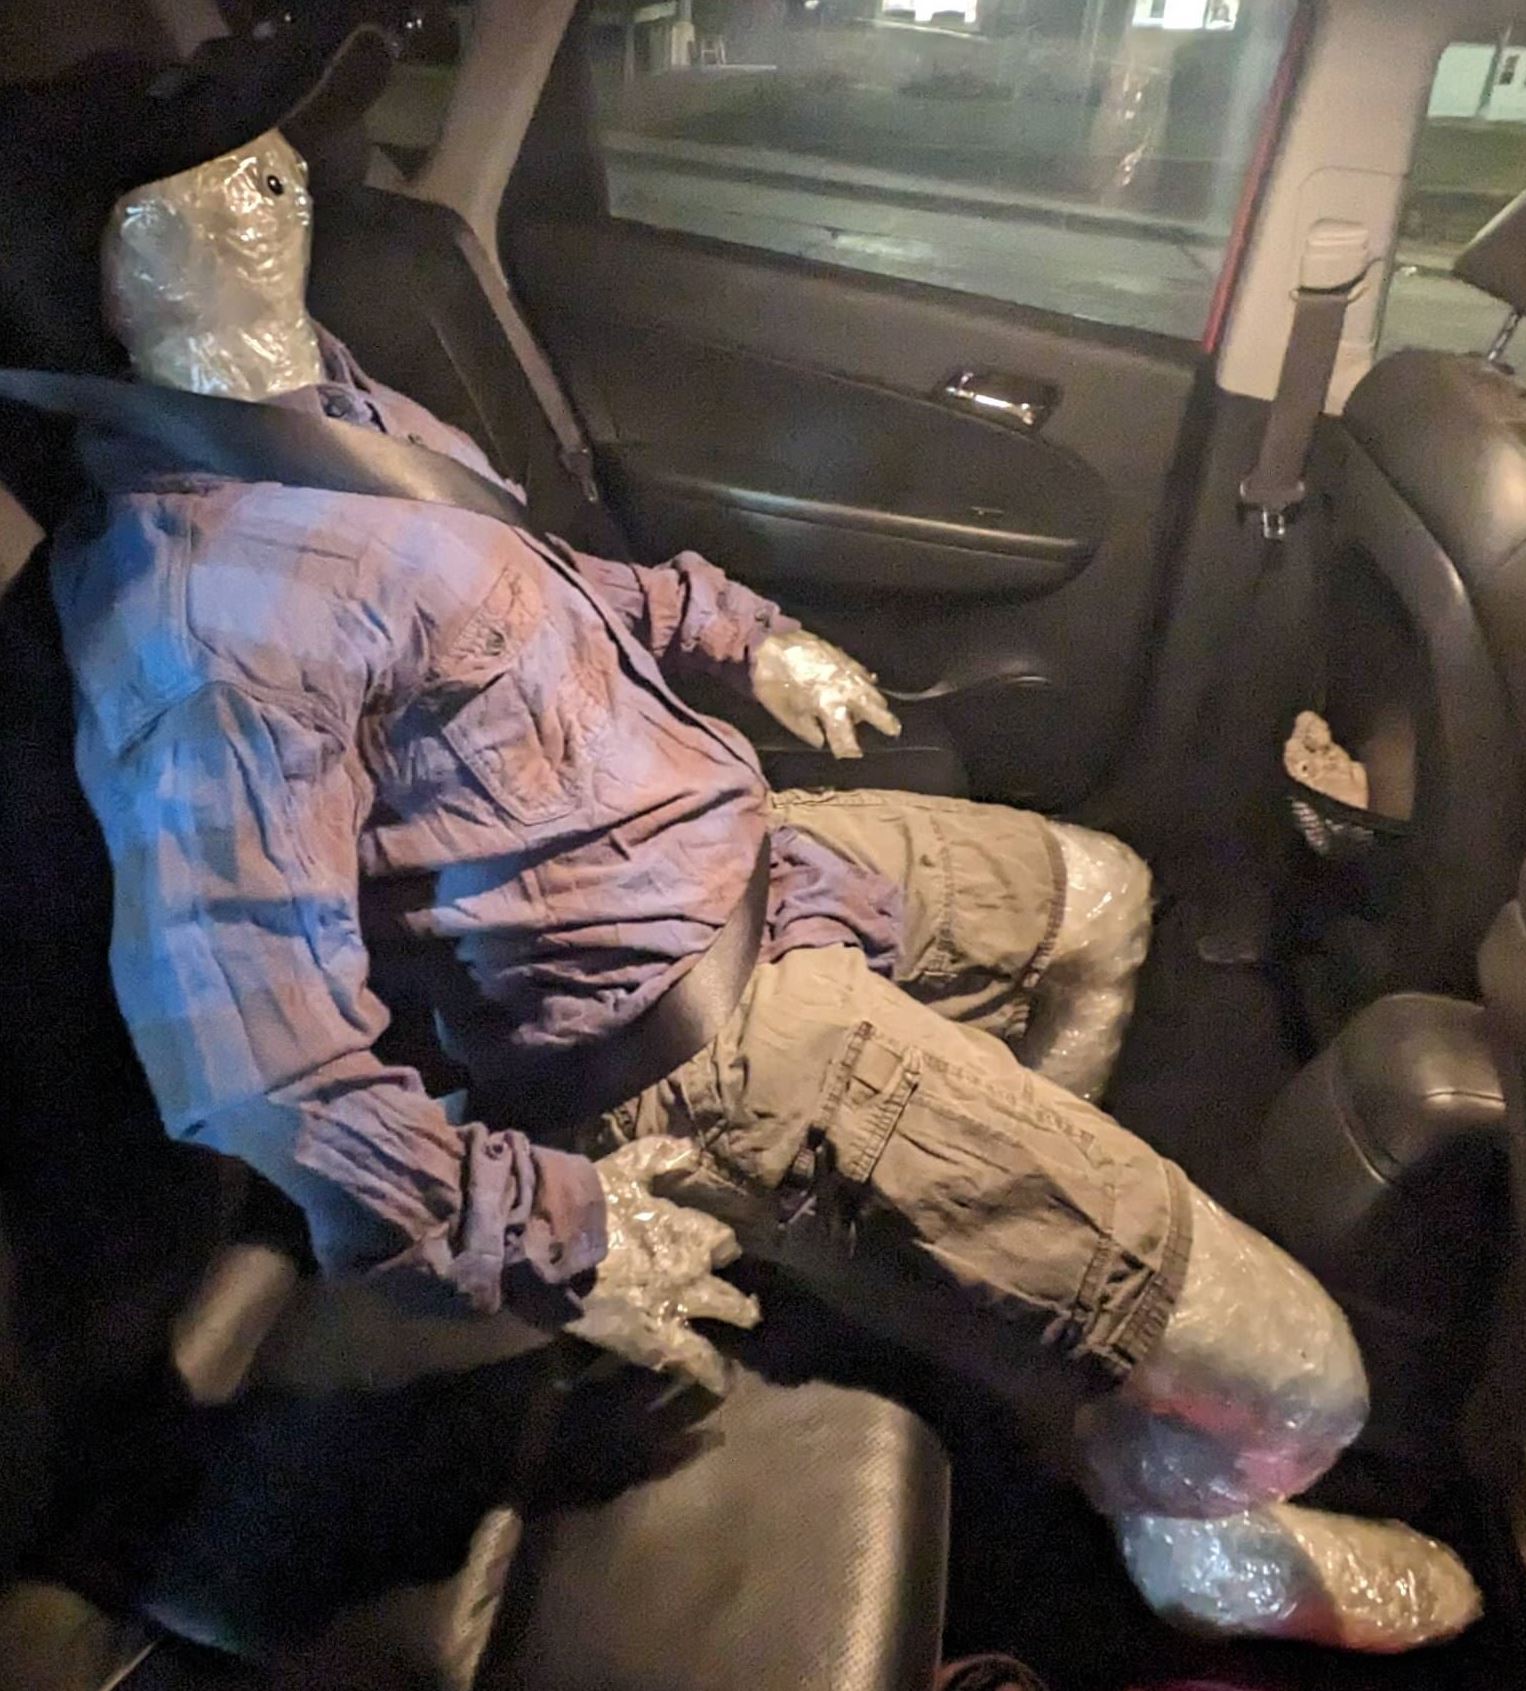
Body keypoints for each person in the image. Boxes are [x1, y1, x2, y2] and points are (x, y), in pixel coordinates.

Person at [6, 21, 1480, 1653]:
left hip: (732, 855)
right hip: (676, 1042)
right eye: (206, 187)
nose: (279, 181)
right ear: (101, 279)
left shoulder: (318, 404)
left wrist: (743, 632)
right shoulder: (201, 622)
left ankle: (991, 1287)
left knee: (1101, 897)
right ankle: (1191, 1539)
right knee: (1304, 1384)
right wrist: (551, 1237)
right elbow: (257, 1068)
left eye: (270, 156)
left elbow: (533, 591)